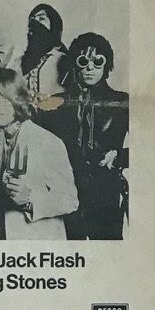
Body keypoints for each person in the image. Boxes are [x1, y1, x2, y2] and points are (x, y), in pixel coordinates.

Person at [0, 68, 77, 240]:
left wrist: (28, 201)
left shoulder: (46, 141)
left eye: (4, 99)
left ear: (19, 101)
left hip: (37, 241)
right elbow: (2, 196)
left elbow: (70, 200)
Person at [57, 31, 129, 239]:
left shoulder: (122, 102)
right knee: (71, 253)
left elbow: (151, 147)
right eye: (83, 61)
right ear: (74, 64)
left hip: (106, 194)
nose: (89, 67)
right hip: (67, 192)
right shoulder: (55, 103)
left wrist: (119, 157)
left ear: (107, 65)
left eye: (98, 61)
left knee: (109, 252)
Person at [20, 3, 67, 113]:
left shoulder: (64, 59)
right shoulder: (19, 63)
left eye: (41, 19)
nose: (35, 23)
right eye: (32, 20)